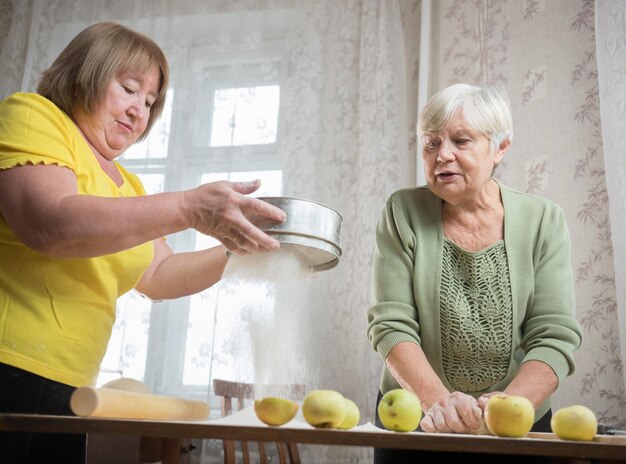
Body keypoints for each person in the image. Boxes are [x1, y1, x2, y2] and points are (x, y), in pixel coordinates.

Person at [0, 22, 286, 464]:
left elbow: (158, 275)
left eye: (150, 102)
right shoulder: (35, 115)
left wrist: (241, 245)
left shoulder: (129, 185)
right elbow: (50, 224)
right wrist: (189, 206)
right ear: (85, 73)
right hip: (8, 367)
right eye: (130, 89)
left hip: (75, 386)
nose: (140, 111)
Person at [367, 83, 582, 462]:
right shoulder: (403, 211)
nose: (442, 156)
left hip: (518, 425)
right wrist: (438, 403)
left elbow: (554, 335)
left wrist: (510, 407)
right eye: (431, 144)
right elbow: (391, 324)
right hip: (416, 418)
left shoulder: (543, 219)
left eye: (461, 141)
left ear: (500, 148)